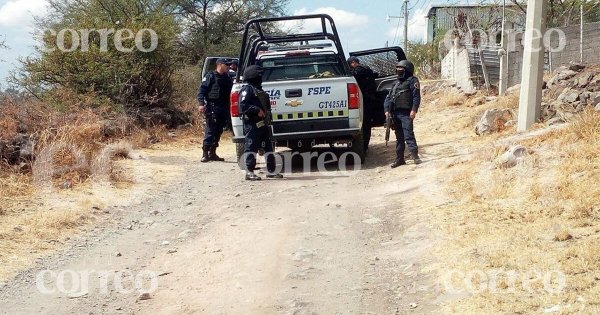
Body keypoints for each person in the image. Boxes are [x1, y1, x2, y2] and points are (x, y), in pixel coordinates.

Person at [239, 65, 283, 181]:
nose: (261, 78)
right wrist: (257, 110)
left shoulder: (258, 89)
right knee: (251, 146)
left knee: (268, 147)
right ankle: (249, 172)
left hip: (263, 124)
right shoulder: (247, 89)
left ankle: (271, 170)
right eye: (259, 75)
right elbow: (243, 106)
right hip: (252, 124)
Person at [384, 60, 422, 168]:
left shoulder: (412, 80)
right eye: (397, 68)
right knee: (399, 138)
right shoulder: (395, 83)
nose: (398, 71)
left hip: (406, 113)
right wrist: (387, 110)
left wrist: (414, 110)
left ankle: (415, 156)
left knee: (408, 135)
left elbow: (416, 96)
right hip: (395, 114)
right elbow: (388, 97)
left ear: (407, 70)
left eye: (401, 69)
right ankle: (400, 159)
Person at [197, 58, 233, 162]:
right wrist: (201, 104)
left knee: (219, 131)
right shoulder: (210, 76)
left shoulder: (227, 77)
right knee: (210, 130)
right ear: (220, 65)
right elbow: (201, 91)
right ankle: (205, 153)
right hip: (213, 106)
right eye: (226, 65)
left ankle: (212, 152)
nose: (228, 67)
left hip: (224, 107)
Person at [347, 56, 378, 153]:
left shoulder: (359, 70)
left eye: (350, 65)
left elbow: (353, 75)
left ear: (353, 63)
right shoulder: (367, 69)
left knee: (364, 124)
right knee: (366, 124)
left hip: (365, 100)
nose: (351, 68)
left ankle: (364, 147)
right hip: (369, 99)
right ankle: (365, 146)